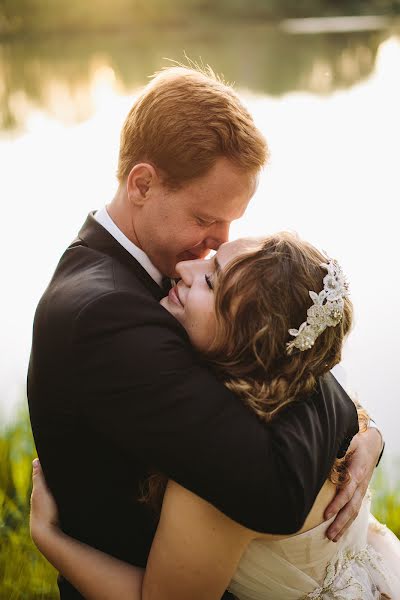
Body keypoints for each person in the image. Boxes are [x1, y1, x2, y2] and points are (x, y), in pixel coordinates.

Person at [27, 66, 383, 599]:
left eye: (231, 223)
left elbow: (278, 361)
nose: (216, 245)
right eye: (205, 219)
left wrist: (369, 433)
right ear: (142, 183)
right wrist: (345, 418)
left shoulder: (167, 275)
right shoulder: (105, 315)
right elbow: (278, 490)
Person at [30, 233, 400, 599]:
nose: (184, 268)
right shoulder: (297, 386)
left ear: (247, 339)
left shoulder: (230, 470)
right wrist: (373, 435)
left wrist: (50, 538)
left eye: (210, 280)